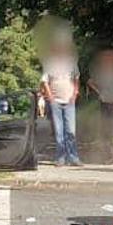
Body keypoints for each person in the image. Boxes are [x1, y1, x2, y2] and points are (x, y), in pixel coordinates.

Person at [40, 37, 82, 166]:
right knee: (59, 131)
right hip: (55, 101)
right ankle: (60, 158)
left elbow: (76, 79)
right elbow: (44, 81)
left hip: (69, 100)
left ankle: (73, 157)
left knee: (71, 131)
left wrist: (75, 93)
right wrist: (50, 97)